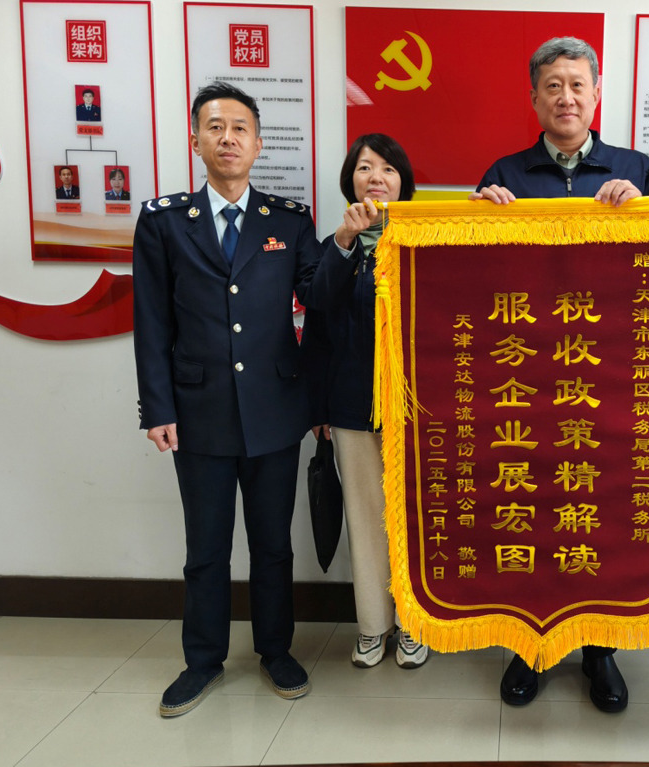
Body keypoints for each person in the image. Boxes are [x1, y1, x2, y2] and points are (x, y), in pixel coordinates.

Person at [133, 81, 361, 717]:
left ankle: (276, 650)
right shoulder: (163, 221)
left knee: (272, 544)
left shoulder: (287, 220)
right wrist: (158, 408)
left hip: (275, 409)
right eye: (215, 127)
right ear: (196, 141)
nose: (227, 138)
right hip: (197, 411)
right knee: (205, 548)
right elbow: (151, 321)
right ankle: (202, 660)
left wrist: (343, 243)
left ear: (258, 144)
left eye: (239, 128)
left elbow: (318, 298)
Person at [471, 36, 649, 714]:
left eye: (577, 84)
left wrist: (644, 214)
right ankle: (529, 647)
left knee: (600, 517)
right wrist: (480, 223)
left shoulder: (637, 171)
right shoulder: (504, 173)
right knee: (528, 516)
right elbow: (467, 282)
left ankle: (599, 652)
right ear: (534, 98)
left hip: (606, 383)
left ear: (597, 94)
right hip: (523, 382)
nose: (566, 97)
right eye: (552, 85)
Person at [301, 134, 430, 671]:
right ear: (350, 180)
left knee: (416, 519)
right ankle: (374, 626)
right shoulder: (334, 244)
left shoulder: (427, 241)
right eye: (365, 167)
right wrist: (345, 240)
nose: (376, 177)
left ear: (404, 183)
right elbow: (316, 314)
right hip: (351, 406)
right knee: (366, 517)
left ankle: (416, 623)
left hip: (417, 411)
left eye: (388, 169)